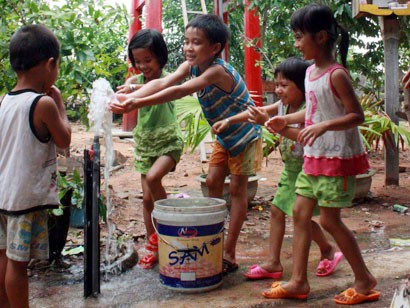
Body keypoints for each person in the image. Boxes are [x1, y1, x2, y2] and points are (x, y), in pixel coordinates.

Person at [110, 14, 262, 273]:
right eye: (186, 41)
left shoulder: (216, 71)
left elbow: (179, 91)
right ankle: (214, 235)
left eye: (196, 43)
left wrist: (136, 102)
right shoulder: (190, 65)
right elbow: (163, 82)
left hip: (245, 133)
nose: (189, 47)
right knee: (213, 182)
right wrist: (134, 93)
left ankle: (229, 250)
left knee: (237, 189)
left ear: (214, 48)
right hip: (224, 136)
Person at [262, 4, 379, 305]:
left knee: (329, 221)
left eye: (300, 36)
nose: (296, 43)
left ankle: (364, 279)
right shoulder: (311, 72)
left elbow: (356, 116)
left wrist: (325, 125)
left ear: (322, 37)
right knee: (300, 213)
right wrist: (286, 120)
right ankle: (299, 281)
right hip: (314, 157)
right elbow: (313, 109)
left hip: (336, 157)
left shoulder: (337, 74)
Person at [212, 57, 342, 280]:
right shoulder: (282, 106)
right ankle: (277, 261)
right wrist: (230, 121)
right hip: (291, 169)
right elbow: (258, 111)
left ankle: (325, 249)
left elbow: (301, 137)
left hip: (308, 169)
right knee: (280, 212)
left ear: (302, 86)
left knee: (301, 217)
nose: (279, 90)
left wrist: (268, 123)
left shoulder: (309, 109)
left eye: (285, 85)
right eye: (277, 84)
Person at [0, 24, 71, 307]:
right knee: (19, 265)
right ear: (49, 64)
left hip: (4, 195)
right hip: (24, 200)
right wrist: (61, 106)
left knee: (3, 257)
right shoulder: (43, 104)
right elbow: (64, 140)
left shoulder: (5, 100)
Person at [115, 29, 187, 269]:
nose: (143, 66)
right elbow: (124, 100)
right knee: (147, 199)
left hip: (168, 143)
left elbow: (156, 88)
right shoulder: (132, 82)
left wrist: (134, 92)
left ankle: (170, 221)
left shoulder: (167, 79)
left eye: (148, 60)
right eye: (138, 61)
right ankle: (153, 245)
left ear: (160, 58)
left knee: (155, 178)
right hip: (146, 145)